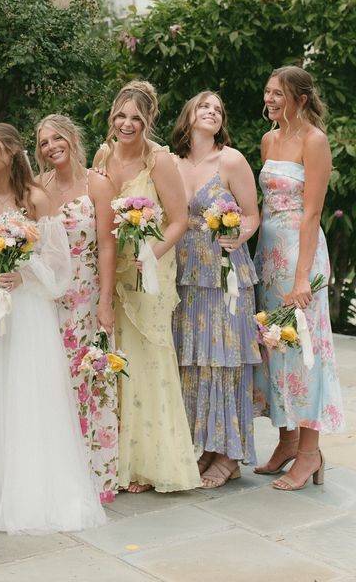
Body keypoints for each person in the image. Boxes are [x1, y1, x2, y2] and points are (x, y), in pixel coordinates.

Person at [0, 123, 105, 533]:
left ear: (13, 150)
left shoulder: (36, 197)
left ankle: (27, 494)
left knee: (24, 399)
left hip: (26, 311)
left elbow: (58, 262)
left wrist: (22, 275)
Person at [93, 81, 199, 493]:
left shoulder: (161, 161)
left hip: (147, 271)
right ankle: (115, 457)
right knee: (115, 354)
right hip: (110, 269)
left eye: (136, 118)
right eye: (121, 115)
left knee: (147, 357)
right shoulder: (102, 154)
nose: (126, 123)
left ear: (148, 120)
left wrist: (150, 254)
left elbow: (179, 220)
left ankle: (147, 464)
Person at [253, 66, 345, 490]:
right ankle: (287, 441)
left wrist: (303, 277)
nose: (269, 99)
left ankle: (310, 454)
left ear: (301, 99)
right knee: (274, 350)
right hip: (267, 257)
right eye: (268, 92)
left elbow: (311, 213)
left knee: (305, 351)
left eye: (278, 94)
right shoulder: (269, 139)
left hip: (300, 257)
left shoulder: (315, 142)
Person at [170, 91, 261, 488]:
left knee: (224, 361)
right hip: (184, 274)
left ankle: (228, 456)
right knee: (193, 361)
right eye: (204, 106)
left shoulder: (231, 160)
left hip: (224, 276)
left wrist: (238, 238)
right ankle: (206, 445)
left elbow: (253, 214)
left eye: (218, 110)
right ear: (188, 116)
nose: (211, 112)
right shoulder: (171, 163)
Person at [36, 113, 119, 503]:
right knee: (52, 380)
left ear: (71, 138)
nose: (51, 147)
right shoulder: (38, 187)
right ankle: (54, 470)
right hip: (47, 294)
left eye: (56, 139)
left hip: (85, 294)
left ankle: (94, 473)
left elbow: (107, 245)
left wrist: (105, 300)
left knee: (88, 377)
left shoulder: (98, 184)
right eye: (43, 143)